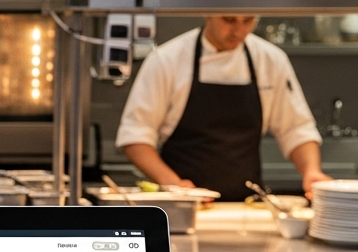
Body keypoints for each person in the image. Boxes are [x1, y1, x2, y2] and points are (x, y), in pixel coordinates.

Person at [116, 15, 330, 201]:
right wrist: (174, 185)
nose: (238, 30)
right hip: (183, 205)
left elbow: (296, 129)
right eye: (229, 20)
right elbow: (136, 137)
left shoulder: (270, 59)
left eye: (248, 21)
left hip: (246, 206)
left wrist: (311, 171)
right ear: (207, 13)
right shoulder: (167, 59)